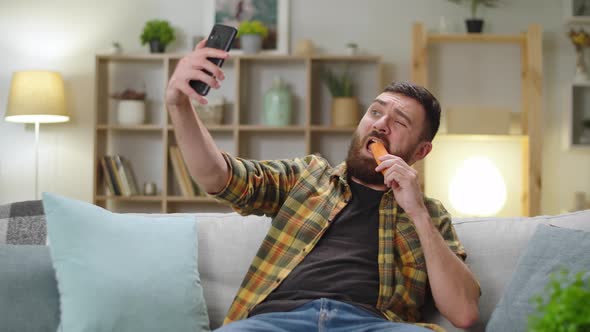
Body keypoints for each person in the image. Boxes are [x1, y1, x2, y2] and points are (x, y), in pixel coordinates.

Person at [166, 40, 481, 332]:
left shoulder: (429, 214)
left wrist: (418, 213)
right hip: (276, 321)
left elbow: (463, 313)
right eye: (375, 111)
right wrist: (179, 104)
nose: (380, 123)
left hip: (372, 324)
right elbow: (218, 177)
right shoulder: (307, 177)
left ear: (421, 151)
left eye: (399, 122)